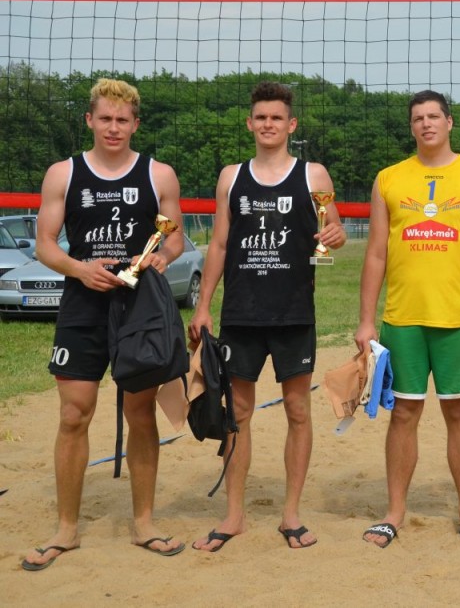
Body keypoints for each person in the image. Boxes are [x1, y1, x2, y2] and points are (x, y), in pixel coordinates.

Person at [22, 78, 186, 570]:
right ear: (89, 120)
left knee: (141, 412)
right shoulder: (63, 173)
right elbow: (45, 243)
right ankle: (66, 529)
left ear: (135, 124)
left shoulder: (158, 174)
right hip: (83, 302)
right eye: (105, 118)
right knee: (74, 414)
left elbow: (174, 238)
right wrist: (79, 269)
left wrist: (160, 258)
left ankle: (144, 523)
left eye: (123, 120)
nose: (114, 128)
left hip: (139, 305)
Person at [188, 81, 345, 552]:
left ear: (291, 124)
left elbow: (331, 229)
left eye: (277, 117)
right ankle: (234, 515)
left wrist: (335, 236)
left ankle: (291, 514)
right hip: (242, 313)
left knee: (298, 410)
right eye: (261, 117)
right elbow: (219, 244)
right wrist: (203, 305)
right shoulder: (231, 177)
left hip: (294, 312)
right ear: (250, 123)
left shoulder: (313, 175)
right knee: (237, 413)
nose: (268, 124)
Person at [357, 89, 460, 546]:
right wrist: (366, 320)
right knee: (404, 412)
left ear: (449, 122)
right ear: (411, 126)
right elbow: (376, 253)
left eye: (434, 116)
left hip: (459, 316)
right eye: (418, 118)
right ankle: (394, 513)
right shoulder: (389, 179)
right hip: (404, 317)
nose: (426, 124)